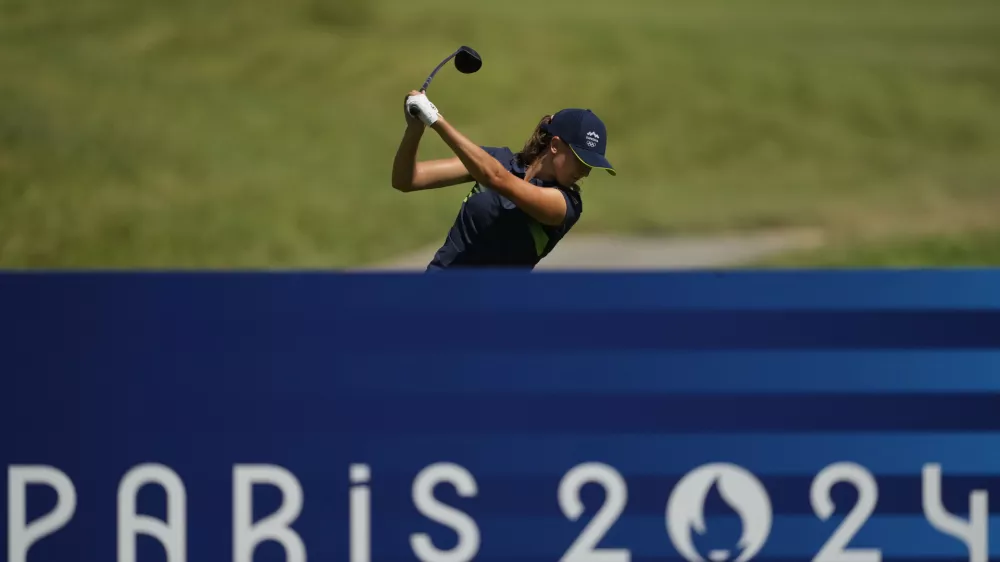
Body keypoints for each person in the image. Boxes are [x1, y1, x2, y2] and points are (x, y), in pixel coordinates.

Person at [392, 90, 616, 271]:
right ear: (555, 145)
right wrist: (415, 130)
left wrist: (435, 119)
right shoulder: (496, 160)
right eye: (579, 160)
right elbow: (406, 180)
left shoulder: (566, 204)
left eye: (590, 166)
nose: (584, 172)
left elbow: (496, 178)